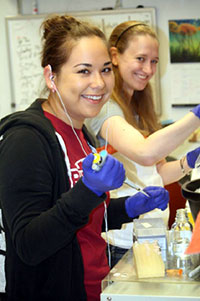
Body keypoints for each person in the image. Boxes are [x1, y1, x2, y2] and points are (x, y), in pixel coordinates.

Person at [0, 15, 169, 301]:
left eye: (105, 70)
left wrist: (127, 207)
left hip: (98, 287)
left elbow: (83, 217)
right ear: (51, 77)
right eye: (83, 71)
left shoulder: (81, 133)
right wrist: (89, 190)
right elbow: (28, 244)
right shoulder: (26, 139)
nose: (99, 83)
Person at [85, 20, 200, 267]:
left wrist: (190, 161)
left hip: (148, 237)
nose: (148, 69)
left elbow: (156, 172)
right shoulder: (105, 108)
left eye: (154, 61)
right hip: (118, 243)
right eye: (140, 58)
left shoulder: (138, 108)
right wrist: (197, 115)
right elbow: (146, 153)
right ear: (114, 56)